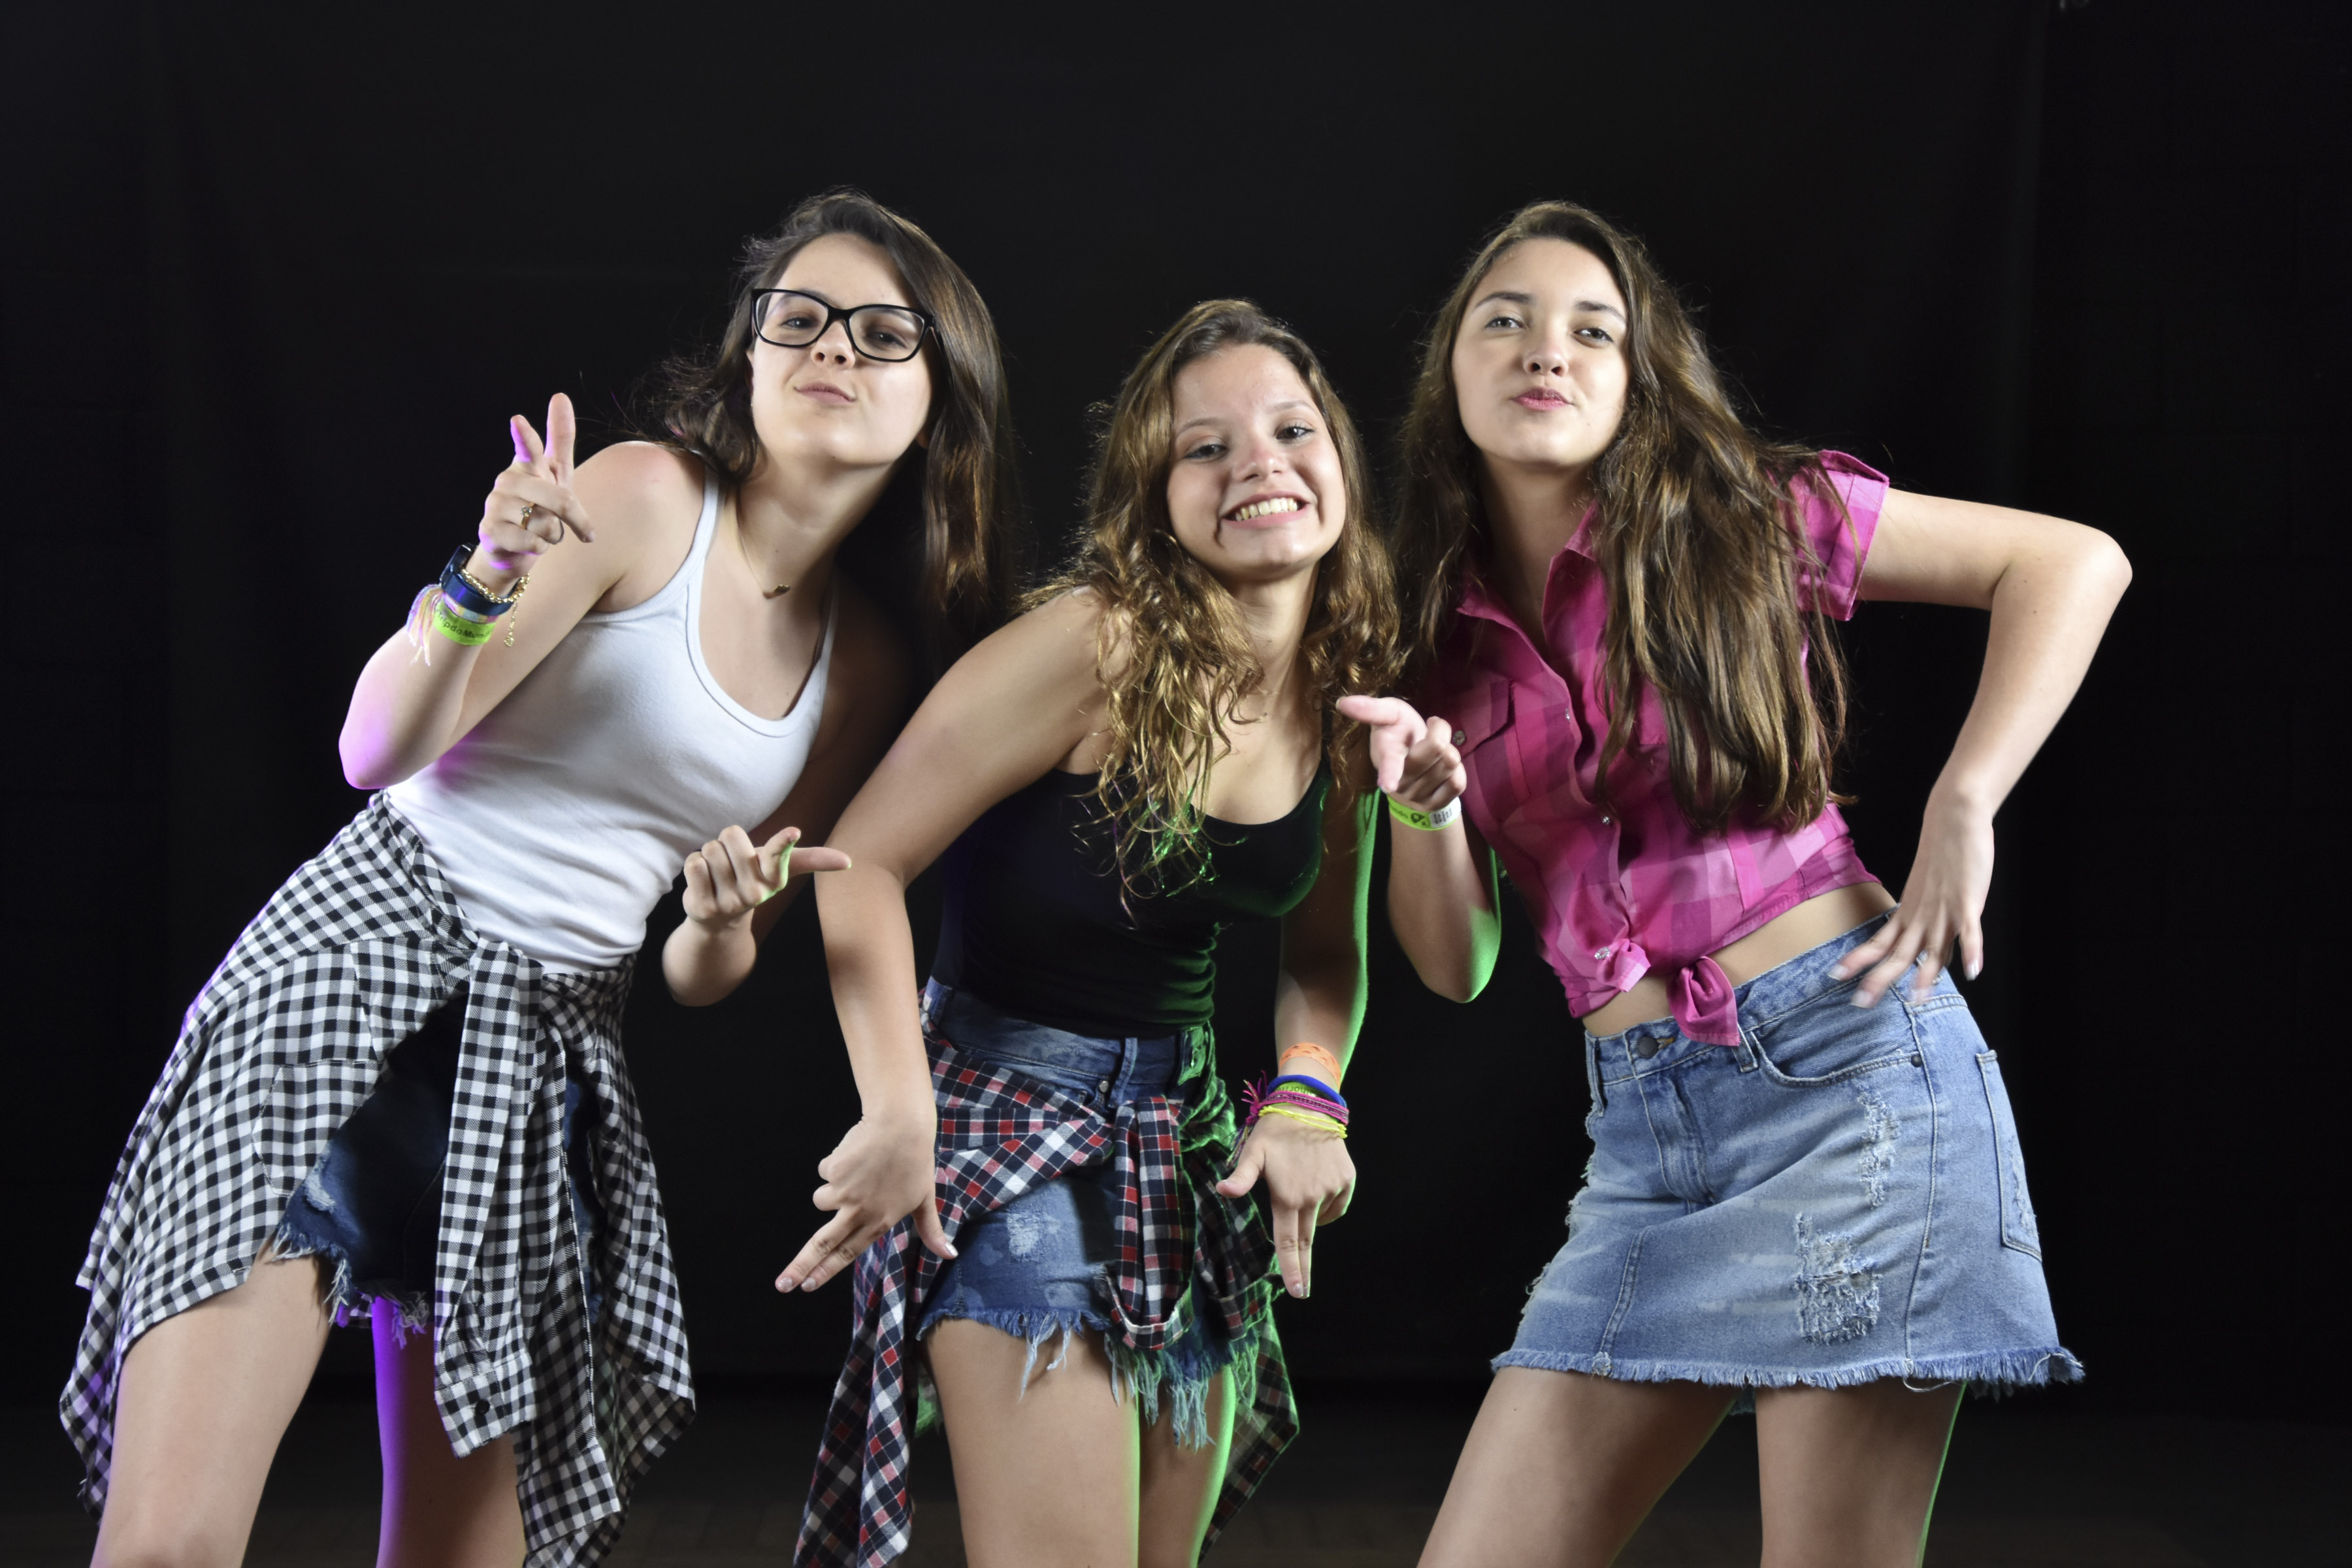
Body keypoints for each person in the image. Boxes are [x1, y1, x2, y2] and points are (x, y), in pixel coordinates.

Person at [67, 190, 1017, 1568]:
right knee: (171, 1546)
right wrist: (483, 578)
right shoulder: (644, 496)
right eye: (799, 317)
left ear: (939, 396)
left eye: (883, 332)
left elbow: (706, 971)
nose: (832, 347)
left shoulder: (864, 664)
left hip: (548, 1047)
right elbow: (372, 751)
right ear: (749, 352)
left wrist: (716, 921)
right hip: (358, 969)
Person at [1339, 201, 2131, 1567]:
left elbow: (2068, 561)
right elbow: (1454, 964)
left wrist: (1966, 796)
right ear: (1449, 372)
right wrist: (1425, 805)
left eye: (1593, 330)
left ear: (1637, 376)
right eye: (1505, 321)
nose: (1546, 350)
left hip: (1854, 1082)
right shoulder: (1425, 638)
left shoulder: (1744, 518)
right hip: (1651, 1141)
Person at [788, 301, 1395, 1568]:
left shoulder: (1341, 681)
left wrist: (1308, 1096)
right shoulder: (1097, 644)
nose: (1259, 464)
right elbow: (860, 860)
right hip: (1006, 1118)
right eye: (1205, 448)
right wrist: (898, 1111)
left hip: (1185, 1137)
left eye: (1291, 430)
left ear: (1339, 456)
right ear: (1153, 499)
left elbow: (1324, 955)